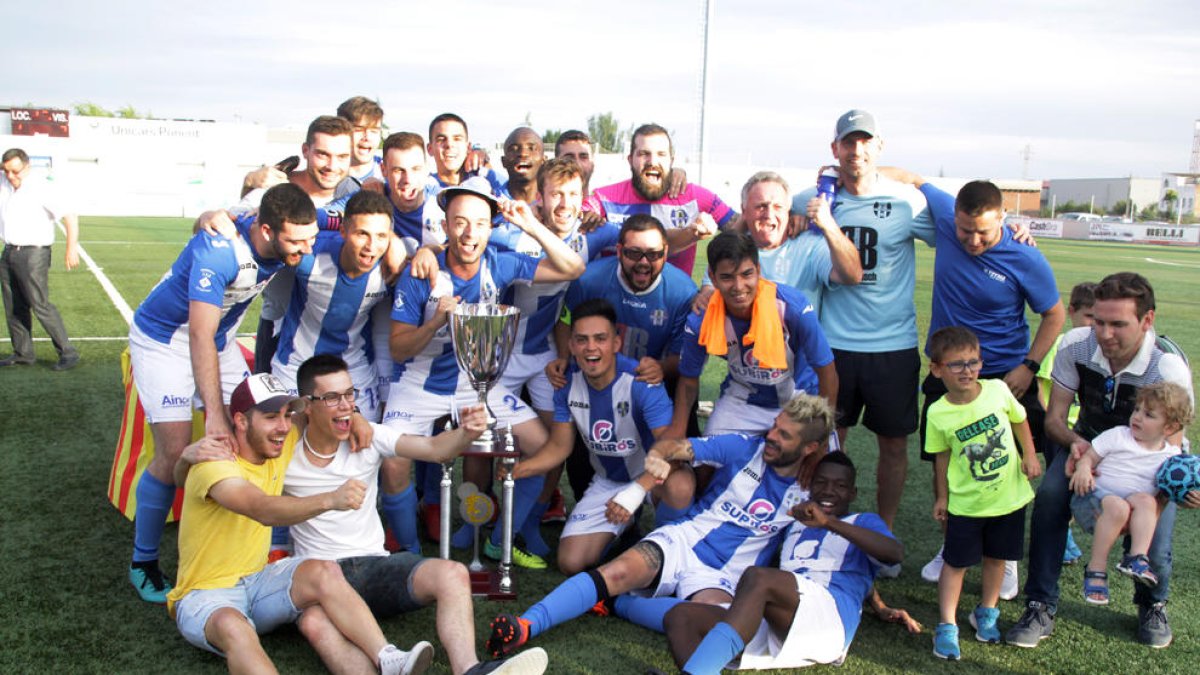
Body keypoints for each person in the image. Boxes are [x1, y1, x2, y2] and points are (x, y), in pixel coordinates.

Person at [485, 393, 836, 659]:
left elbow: (817, 549)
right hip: (683, 539)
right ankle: (526, 625)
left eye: (785, 435)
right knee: (617, 571)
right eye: (775, 425)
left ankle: (617, 605)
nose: (772, 435)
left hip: (727, 576)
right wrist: (658, 456)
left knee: (723, 624)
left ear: (810, 448)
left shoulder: (813, 490)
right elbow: (677, 446)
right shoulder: (745, 447)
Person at [283, 354, 548, 675]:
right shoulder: (284, 453)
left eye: (350, 394)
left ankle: (470, 669)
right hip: (320, 579)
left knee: (453, 573)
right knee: (312, 622)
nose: (346, 406)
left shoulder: (370, 437)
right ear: (307, 405)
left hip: (372, 567)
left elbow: (435, 449)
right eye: (332, 397)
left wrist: (465, 432)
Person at [126, 183, 321, 603]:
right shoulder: (219, 249)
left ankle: (260, 535)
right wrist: (213, 413)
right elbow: (198, 332)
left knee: (269, 419)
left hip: (218, 339)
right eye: (296, 241)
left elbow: (263, 184)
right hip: (166, 340)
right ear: (266, 231)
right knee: (176, 449)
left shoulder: (276, 221)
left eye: (311, 239)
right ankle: (143, 561)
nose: (304, 250)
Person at [166, 373, 431, 675]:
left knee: (322, 569)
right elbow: (261, 508)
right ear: (240, 421)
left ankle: (389, 658)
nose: (282, 426)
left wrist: (354, 416)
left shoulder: (278, 441)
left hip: (258, 581)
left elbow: (319, 410)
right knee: (234, 628)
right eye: (270, 417)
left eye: (286, 415)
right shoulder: (215, 463)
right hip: (205, 595)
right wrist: (330, 499)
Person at [381, 177, 584, 556]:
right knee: (393, 464)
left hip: (475, 384)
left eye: (479, 223)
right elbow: (397, 349)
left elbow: (572, 268)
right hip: (419, 385)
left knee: (541, 447)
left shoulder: (499, 263)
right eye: (459, 222)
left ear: (491, 228)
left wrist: (530, 224)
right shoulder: (422, 271)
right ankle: (409, 555)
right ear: (445, 227)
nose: (469, 233)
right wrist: (436, 323)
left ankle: (499, 539)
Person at [1007, 272, 1195, 649]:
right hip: (1088, 442)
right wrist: (1080, 450)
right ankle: (1040, 604)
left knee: (1154, 534)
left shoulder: (1168, 366)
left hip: (1148, 459)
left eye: (1118, 324)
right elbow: (1055, 419)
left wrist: (1152, 502)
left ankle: (1152, 604)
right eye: (1098, 321)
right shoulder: (1075, 344)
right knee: (1049, 500)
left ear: (1147, 320)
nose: (1105, 334)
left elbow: (1169, 446)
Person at [906, 177, 1065, 598]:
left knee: (1007, 466)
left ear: (1004, 220)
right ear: (953, 218)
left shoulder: (1026, 257)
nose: (973, 240)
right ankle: (952, 544)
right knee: (946, 460)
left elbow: (1054, 314)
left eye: (985, 231)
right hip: (946, 373)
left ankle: (1005, 557)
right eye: (964, 230)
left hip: (1004, 377)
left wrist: (1029, 367)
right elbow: (911, 177)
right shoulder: (944, 214)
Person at [790, 110, 936, 534]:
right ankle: (823, 524)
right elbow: (767, 222)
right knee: (830, 439)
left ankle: (883, 529)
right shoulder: (810, 200)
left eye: (864, 142)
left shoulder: (904, 201)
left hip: (892, 344)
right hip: (833, 344)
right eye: (848, 143)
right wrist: (798, 221)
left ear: (878, 147)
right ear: (834, 149)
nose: (856, 150)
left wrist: (1014, 232)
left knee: (893, 445)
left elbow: (956, 232)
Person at [662, 453, 911, 673]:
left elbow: (894, 553)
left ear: (852, 493)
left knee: (759, 578)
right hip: (786, 615)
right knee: (680, 616)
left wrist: (829, 523)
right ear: (810, 486)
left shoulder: (861, 521)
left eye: (840, 485)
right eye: (821, 482)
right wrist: (879, 606)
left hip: (830, 620)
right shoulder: (794, 523)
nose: (828, 491)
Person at [509, 298, 689, 574]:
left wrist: (637, 490)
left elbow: (672, 451)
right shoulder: (566, 384)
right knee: (571, 562)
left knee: (681, 486)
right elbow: (559, 446)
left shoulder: (641, 381)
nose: (591, 348)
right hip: (609, 480)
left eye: (600, 339)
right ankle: (625, 528)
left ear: (616, 344)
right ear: (571, 346)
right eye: (581, 340)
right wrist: (519, 469)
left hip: (653, 477)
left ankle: (671, 553)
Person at [924, 326, 1042, 660]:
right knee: (955, 562)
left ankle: (986, 613)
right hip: (967, 504)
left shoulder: (997, 390)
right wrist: (943, 497)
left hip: (1008, 499)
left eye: (973, 362)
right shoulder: (937, 412)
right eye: (957, 364)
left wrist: (1030, 455)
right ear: (936, 369)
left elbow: (1020, 421)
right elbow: (941, 458)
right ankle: (947, 625)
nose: (967, 371)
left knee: (997, 559)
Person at [673, 230, 836, 438]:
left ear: (758, 270)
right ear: (713, 278)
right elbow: (688, 380)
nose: (739, 286)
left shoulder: (793, 307)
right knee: (707, 464)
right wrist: (677, 432)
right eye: (726, 277)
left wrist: (823, 434)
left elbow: (827, 370)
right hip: (742, 401)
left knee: (817, 466)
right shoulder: (700, 319)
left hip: (799, 399)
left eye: (746, 274)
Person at [271, 190, 397, 420]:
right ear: (343, 231)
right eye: (361, 234)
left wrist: (426, 252)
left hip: (355, 369)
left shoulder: (392, 268)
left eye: (381, 236)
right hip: (296, 365)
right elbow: (272, 228)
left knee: (363, 445)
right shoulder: (309, 255)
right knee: (289, 443)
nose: (371, 246)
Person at [1069, 382, 1191, 604]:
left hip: (1129, 510)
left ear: (1170, 428)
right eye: (1137, 410)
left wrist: (1189, 497)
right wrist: (1084, 468)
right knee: (1118, 506)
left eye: (1148, 414)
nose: (1137, 417)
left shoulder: (1172, 457)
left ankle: (1136, 557)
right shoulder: (1118, 436)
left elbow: (1173, 491)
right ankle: (1096, 569)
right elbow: (1089, 456)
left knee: (1147, 500)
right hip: (1091, 501)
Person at [591, 123, 734, 276]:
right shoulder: (602, 199)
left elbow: (740, 229)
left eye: (661, 154)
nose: (652, 161)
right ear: (630, 159)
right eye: (644, 154)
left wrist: (708, 283)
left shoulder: (695, 196)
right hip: (613, 298)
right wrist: (690, 234)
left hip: (676, 300)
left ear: (671, 161)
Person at [0, 148, 80, 370]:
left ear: (27, 167)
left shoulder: (41, 187)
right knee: (13, 305)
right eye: (5, 171)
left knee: (39, 303)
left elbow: (69, 216)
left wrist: (71, 249)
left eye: (15, 171)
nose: (10, 176)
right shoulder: (4, 184)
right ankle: (22, 353)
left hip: (34, 253)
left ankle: (68, 352)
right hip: (9, 252)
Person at [1036, 281, 1099, 565]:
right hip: (1060, 432)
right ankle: (1063, 540)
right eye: (1088, 316)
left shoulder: (1095, 348)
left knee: (1077, 485)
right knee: (1061, 486)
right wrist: (1049, 417)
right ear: (1072, 311)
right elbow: (1040, 384)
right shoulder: (1062, 344)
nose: (1093, 324)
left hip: (1084, 433)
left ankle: (1065, 536)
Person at [427, 113, 504, 192]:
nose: (449, 144)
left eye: (457, 139)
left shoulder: (487, 180)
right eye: (441, 139)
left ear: (468, 147)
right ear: (430, 149)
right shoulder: (424, 190)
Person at [498, 127, 544, 203]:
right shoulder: (491, 201)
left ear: (544, 161)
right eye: (513, 149)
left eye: (531, 148)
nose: (523, 154)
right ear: (504, 161)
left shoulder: (555, 204)